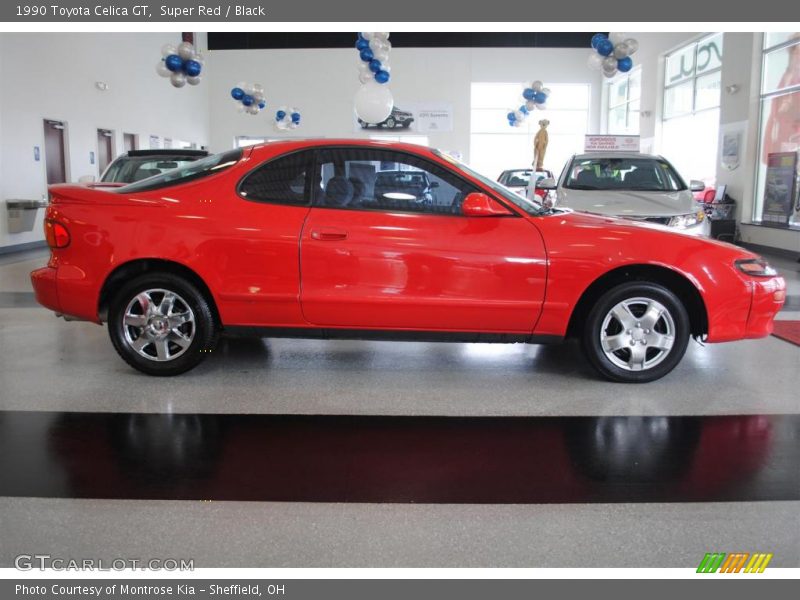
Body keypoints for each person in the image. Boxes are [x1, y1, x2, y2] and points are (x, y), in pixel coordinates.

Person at [762, 34, 800, 163]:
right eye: (794, 49)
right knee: (782, 171)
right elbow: (776, 111)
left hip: (792, 137)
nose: (796, 54)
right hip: (782, 137)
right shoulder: (787, 76)